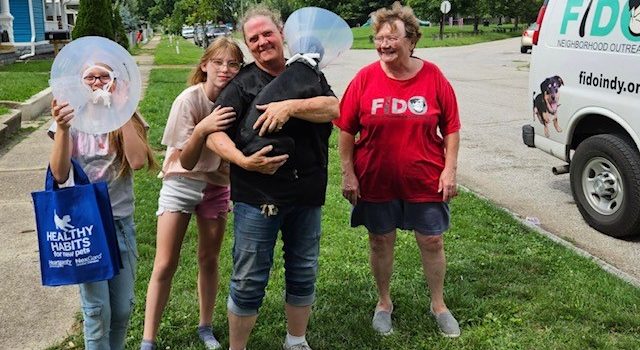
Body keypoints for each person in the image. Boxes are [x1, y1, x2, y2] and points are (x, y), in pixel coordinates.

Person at [205, 4, 339, 350]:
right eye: (254, 38)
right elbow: (214, 134)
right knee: (249, 277)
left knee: (304, 268)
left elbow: (336, 109)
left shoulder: (308, 73)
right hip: (257, 196)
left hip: (307, 192)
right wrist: (242, 160)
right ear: (248, 46)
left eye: (268, 34)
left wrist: (290, 106)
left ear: (283, 35)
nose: (262, 42)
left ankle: (296, 341)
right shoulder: (242, 85)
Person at [334, 1, 462, 338]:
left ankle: (438, 304)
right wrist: (348, 172)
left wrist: (449, 170)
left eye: (393, 38)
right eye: (379, 38)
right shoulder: (364, 79)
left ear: (412, 41)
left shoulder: (433, 76)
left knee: (432, 240)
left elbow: (451, 127)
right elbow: (346, 130)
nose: (384, 44)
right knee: (379, 240)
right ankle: (384, 302)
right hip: (375, 178)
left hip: (424, 177)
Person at [140, 37, 244, 350]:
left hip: (217, 186)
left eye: (233, 64)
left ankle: (206, 326)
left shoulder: (239, 101)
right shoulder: (188, 100)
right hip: (181, 183)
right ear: (204, 65)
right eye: (218, 62)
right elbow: (185, 160)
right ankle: (148, 338)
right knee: (165, 262)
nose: (225, 69)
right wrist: (203, 128)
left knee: (209, 259)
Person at [49, 63, 155, 349]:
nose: (97, 82)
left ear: (115, 81)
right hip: (86, 226)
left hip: (120, 222)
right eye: (90, 76)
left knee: (121, 308)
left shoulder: (126, 113)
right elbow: (59, 174)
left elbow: (137, 161)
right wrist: (61, 128)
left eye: (104, 76)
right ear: (79, 82)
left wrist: (120, 110)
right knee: (97, 312)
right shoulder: (70, 115)